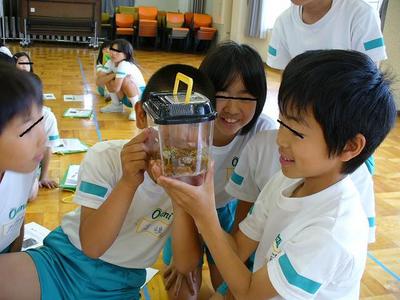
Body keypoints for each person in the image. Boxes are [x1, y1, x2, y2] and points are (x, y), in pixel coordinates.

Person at [156, 50, 397, 299]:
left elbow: (250, 293)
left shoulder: (331, 232)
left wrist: (205, 214)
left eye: (296, 131)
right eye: (282, 123)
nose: (280, 139)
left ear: (349, 146)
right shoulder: (286, 181)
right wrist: (197, 206)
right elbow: (237, 249)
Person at [0, 64, 215, 300]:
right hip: (63, 262)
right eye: (170, 137)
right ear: (143, 116)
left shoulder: (194, 179)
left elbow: (185, 265)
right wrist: (128, 182)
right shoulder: (106, 158)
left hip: (121, 285)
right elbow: (92, 246)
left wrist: (179, 197)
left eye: (190, 146)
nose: (177, 153)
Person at [162, 41, 279, 299]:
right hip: (185, 207)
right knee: (181, 287)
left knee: (225, 284)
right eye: (222, 93)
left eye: (245, 96)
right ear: (202, 92)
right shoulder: (187, 127)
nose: (232, 108)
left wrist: (227, 287)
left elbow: (253, 209)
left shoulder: (264, 134)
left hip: (229, 209)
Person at [0, 62, 46, 254]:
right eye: (27, 128)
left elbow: (17, 218)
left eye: (40, 121)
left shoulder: (24, 168)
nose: (42, 138)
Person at [267, 0, 387, 70]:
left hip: (348, 106)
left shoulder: (362, 14)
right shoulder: (283, 21)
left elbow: (370, 78)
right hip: (303, 105)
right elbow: (286, 78)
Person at [13, 52, 61, 191]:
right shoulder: (8, 111)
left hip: (28, 163)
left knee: (31, 192)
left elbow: (47, 147)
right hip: (9, 160)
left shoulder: (47, 116)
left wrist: (43, 177)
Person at [96, 39, 146, 121]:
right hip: (125, 97)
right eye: (112, 50)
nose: (113, 53)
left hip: (140, 98)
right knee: (108, 77)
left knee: (125, 80)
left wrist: (111, 77)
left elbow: (116, 88)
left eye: (118, 51)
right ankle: (116, 105)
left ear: (126, 55)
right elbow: (98, 82)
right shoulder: (110, 62)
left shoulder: (124, 64)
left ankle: (137, 109)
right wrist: (113, 75)